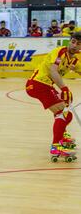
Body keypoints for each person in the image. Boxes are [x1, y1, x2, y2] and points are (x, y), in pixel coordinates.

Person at [25, 32, 81, 161]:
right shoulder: (59, 52)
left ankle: (62, 135)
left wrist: (75, 69)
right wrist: (64, 88)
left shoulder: (75, 60)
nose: (74, 45)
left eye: (78, 44)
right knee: (62, 111)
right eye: (73, 41)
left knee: (67, 111)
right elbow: (53, 71)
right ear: (69, 41)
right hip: (37, 84)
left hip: (45, 85)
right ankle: (56, 146)